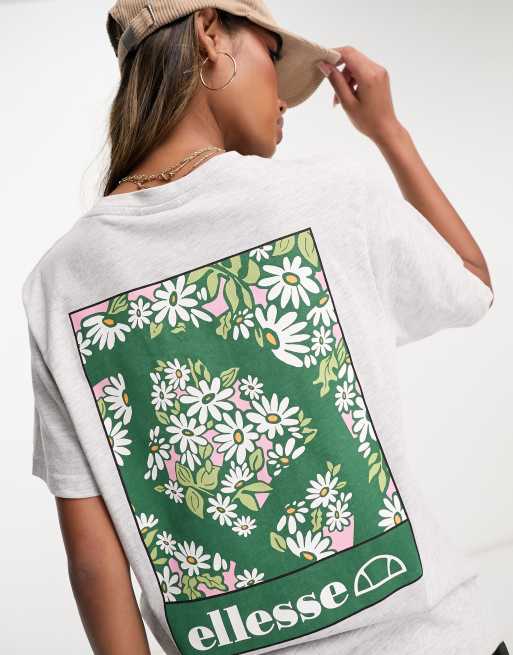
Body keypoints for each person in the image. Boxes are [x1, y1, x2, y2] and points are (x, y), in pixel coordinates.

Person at [21, 1, 507, 654]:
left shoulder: (59, 282)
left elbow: (93, 561)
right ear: (209, 34)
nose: (284, 100)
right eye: (273, 57)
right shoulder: (335, 193)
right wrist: (386, 130)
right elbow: (473, 284)